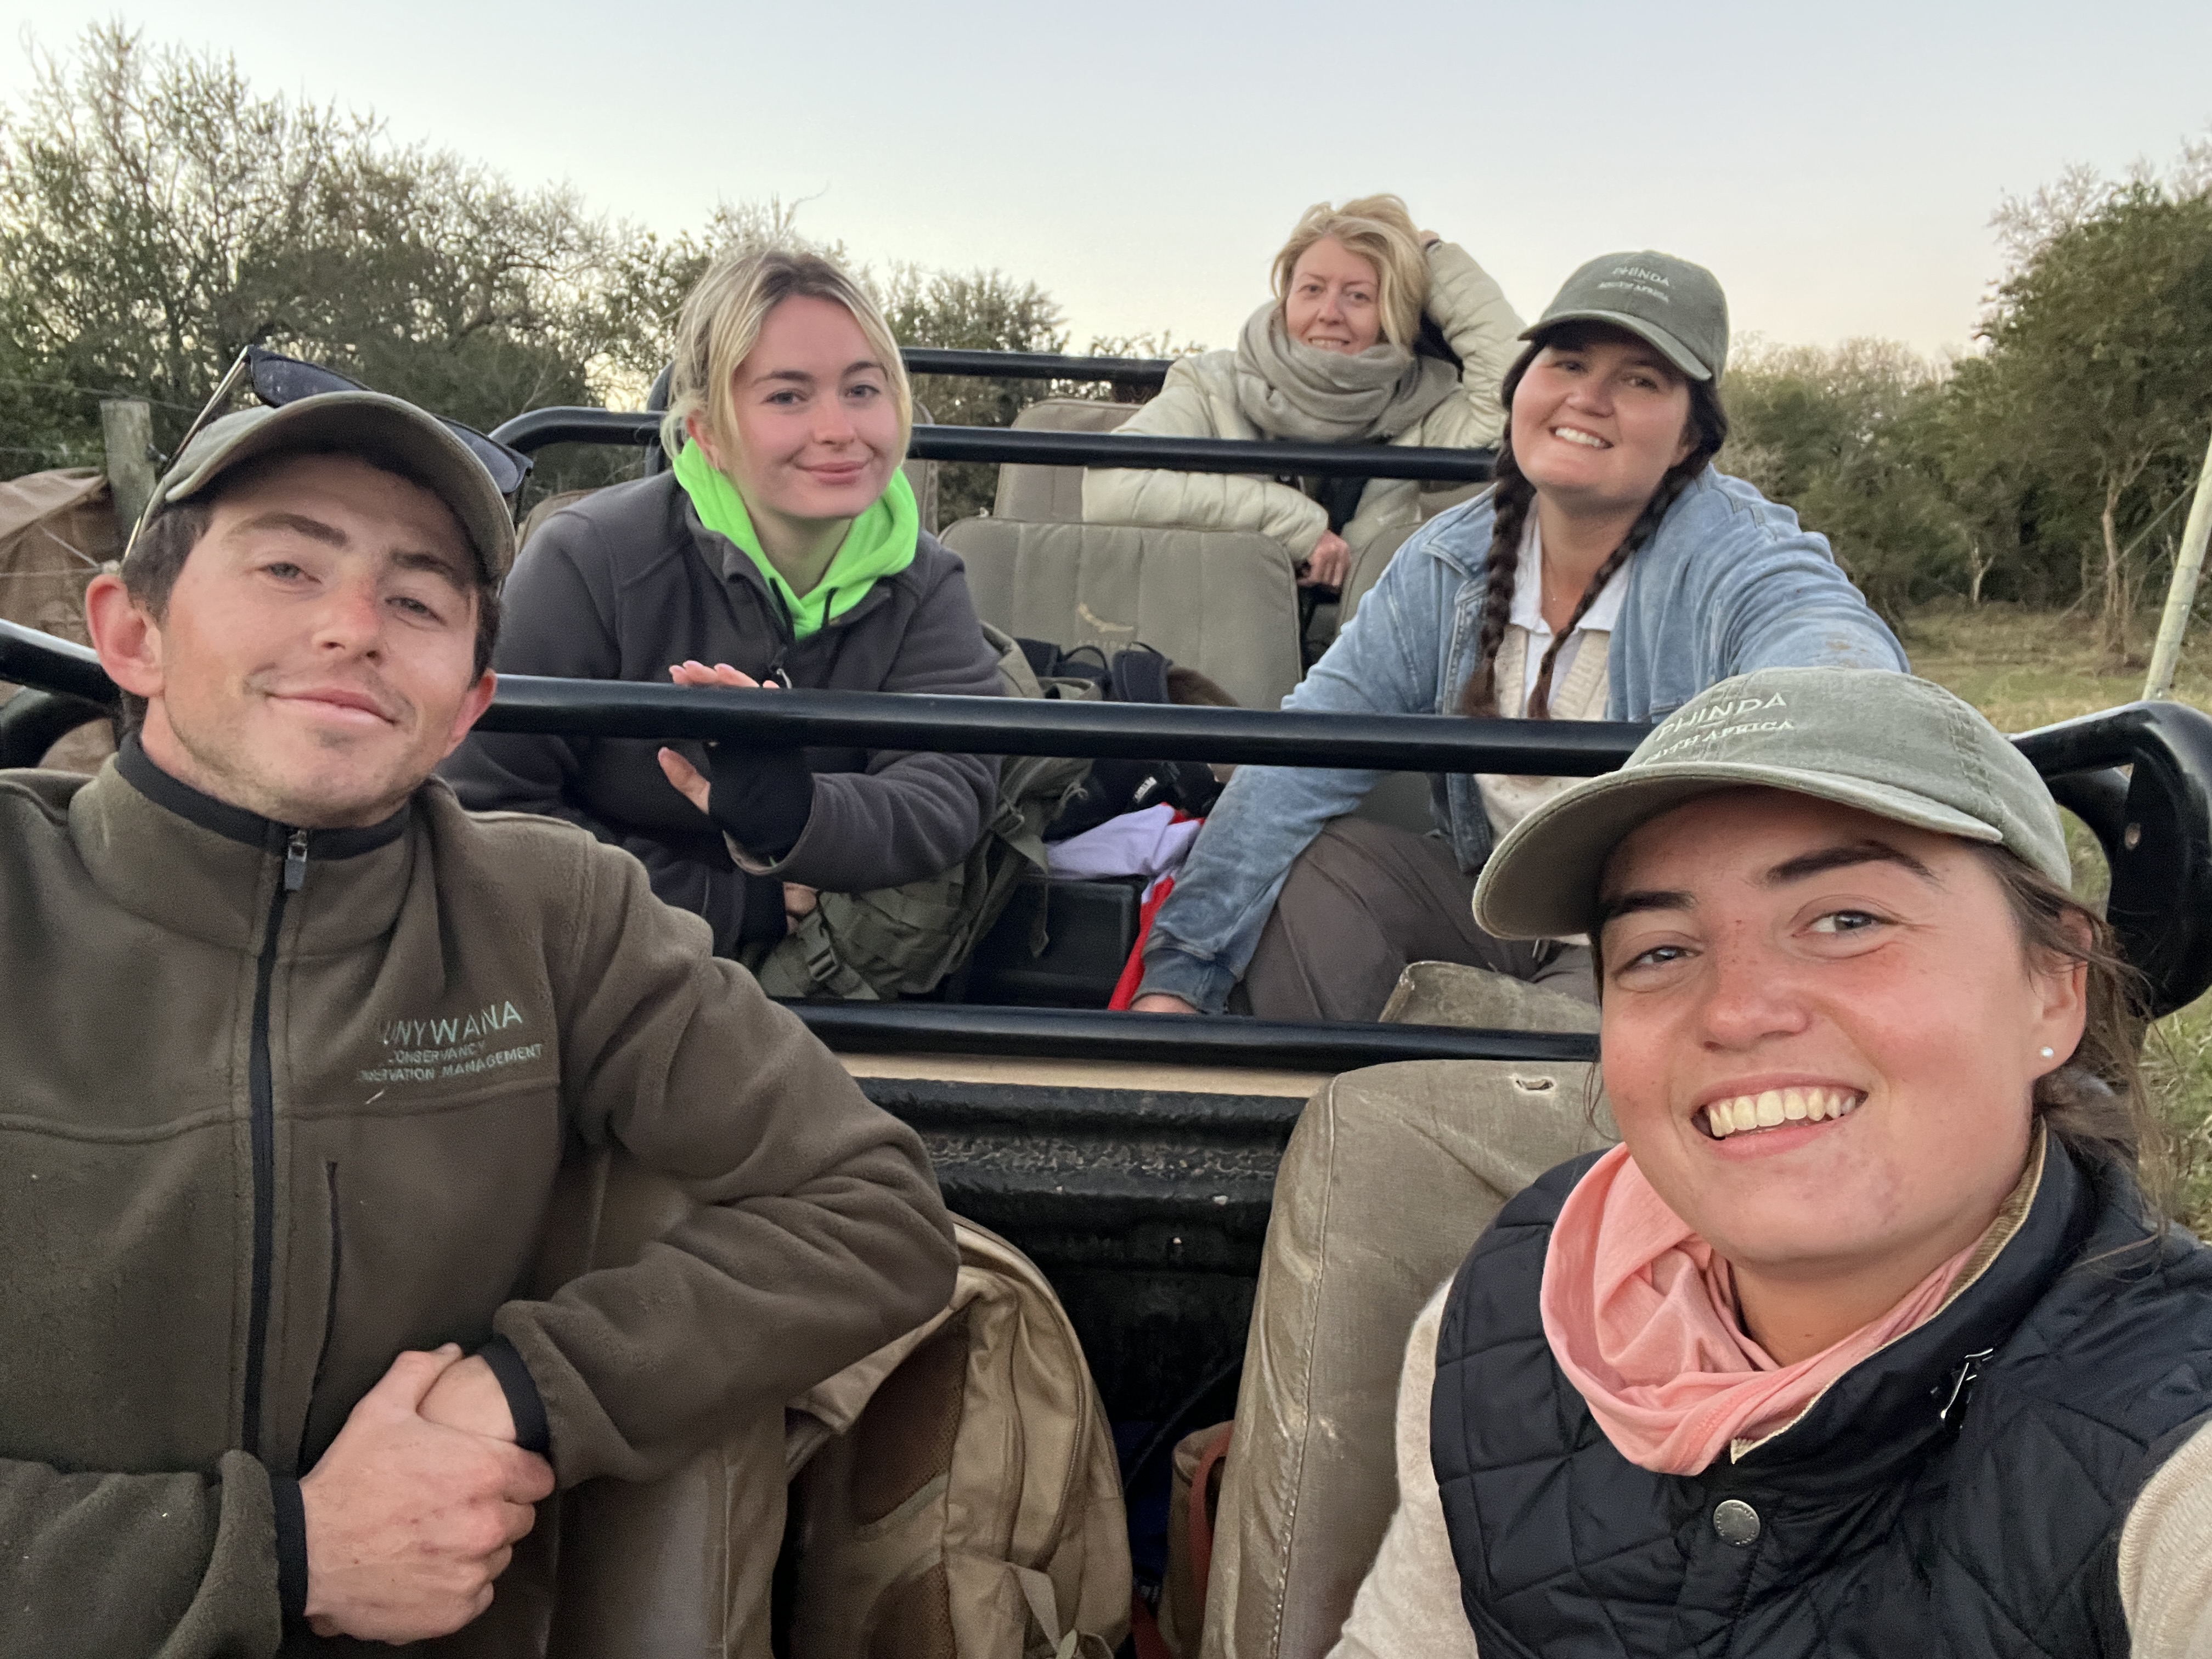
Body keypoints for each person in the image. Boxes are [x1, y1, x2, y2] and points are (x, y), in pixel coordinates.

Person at [0, 389, 958, 1655]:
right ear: (132, 633)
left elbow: (880, 1213)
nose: (352, 628)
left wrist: (521, 1396)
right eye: (289, 565)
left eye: (418, 601)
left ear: (468, 703)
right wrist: (280, 1556)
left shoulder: (550, 910)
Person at [1330, 667, 2212, 1657]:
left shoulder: (2172, 1457)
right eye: (1660, 950)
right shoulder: (1510, 1311)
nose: (1738, 1010)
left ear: (2052, 988)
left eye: (1846, 920)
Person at [1130, 252, 1910, 1025]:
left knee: (1555, 1036)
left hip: (1656, 931)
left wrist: (1835, 702)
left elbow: (1837, 669)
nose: (1589, 398)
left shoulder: (1743, 560)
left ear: (1688, 439)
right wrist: (1175, 980)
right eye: (1567, 362)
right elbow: (1299, 764)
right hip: (1488, 907)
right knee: (1317, 873)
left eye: (1641, 380)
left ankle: (1455, 1089)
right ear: (1520, 391)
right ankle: (1374, 1104)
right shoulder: (1442, 564)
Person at [442, 248, 1005, 975]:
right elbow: (491, 808)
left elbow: (947, 797)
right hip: (590, 960)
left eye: (863, 390)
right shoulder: (590, 561)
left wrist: (798, 813)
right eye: (787, 397)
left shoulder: (927, 581)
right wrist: (741, 904)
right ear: (708, 431)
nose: (839, 429)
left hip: (837, 972)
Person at [1081, 194, 1522, 591]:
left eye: (1358, 296)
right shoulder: (1212, 384)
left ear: (1394, 315)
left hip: (1359, 654)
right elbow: (1111, 485)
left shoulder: (1424, 406)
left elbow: (1516, 401)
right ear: (1285, 298)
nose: (1329, 313)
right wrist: (1293, 526)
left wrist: (1436, 261)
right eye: (1312, 289)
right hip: (1222, 634)